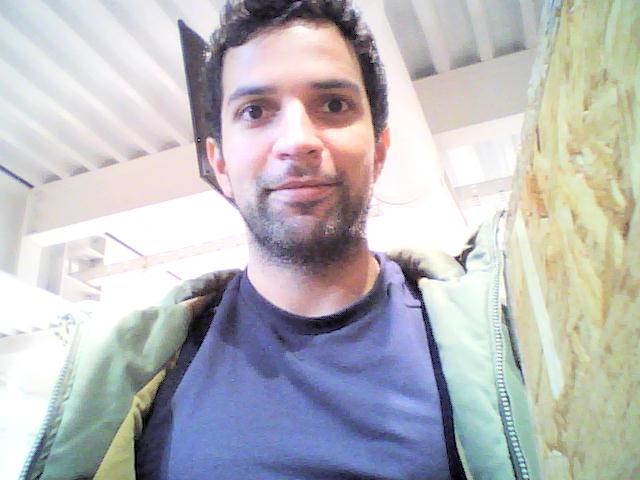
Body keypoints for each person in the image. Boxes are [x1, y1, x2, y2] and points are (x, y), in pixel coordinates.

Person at [20, 1, 540, 479]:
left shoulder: (508, 339)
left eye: (333, 104)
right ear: (220, 165)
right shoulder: (123, 377)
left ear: (379, 149)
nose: (297, 141)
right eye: (255, 111)